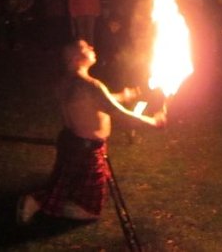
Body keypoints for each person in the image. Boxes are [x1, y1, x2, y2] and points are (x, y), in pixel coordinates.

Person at [16, 39, 166, 224]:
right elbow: (121, 115)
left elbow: (89, 103)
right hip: (87, 151)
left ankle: (47, 199)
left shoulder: (66, 82)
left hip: (71, 143)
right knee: (90, 210)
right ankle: (38, 203)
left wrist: (123, 95)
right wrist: (153, 122)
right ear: (74, 58)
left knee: (70, 186)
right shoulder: (91, 86)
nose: (92, 48)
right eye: (85, 47)